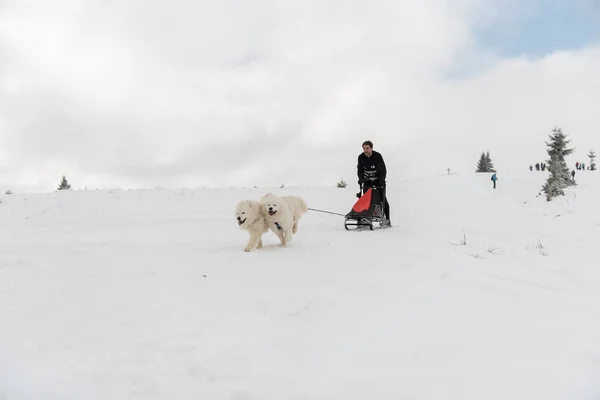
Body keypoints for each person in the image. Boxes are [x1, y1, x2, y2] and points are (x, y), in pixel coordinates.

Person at [357, 140, 391, 226]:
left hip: (378, 180)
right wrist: (360, 179)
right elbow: (360, 170)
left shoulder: (377, 156)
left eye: (367, 148)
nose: (366, 150)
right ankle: (365, 218)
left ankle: (387, 219)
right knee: (366, 199)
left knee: (382, 199)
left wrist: (382, 179)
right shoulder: (361, 157)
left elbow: (383, 169)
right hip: (367, 180)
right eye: (364, 148)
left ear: (371, 148)